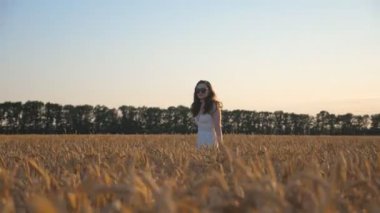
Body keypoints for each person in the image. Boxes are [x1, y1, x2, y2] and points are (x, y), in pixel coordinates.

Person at [191, 80, 223, 149]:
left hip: (210, 140)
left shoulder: (214, 105)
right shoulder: (196, 106)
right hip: (200, 140)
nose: (200, 92)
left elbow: (218, 126)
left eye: (203, 90)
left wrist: (221, 146)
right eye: (198, 90)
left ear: (209, 91)